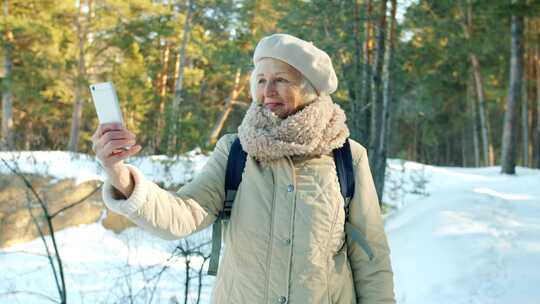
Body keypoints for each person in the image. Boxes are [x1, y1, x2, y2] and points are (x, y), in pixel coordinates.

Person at [92, 33, 396, 304]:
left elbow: (371, 257)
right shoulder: (235, 151)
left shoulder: (347, 157)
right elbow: (183, 214)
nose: (268, 90)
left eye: (280, 80)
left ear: (310, 88)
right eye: (261, 80)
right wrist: (119, 173)